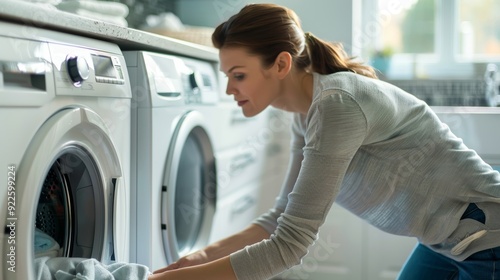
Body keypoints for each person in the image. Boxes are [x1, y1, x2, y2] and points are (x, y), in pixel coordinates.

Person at [149, 3, 500, 280]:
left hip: (486, 235)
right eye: (227, 76)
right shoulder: (305, 116)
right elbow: (279, 217)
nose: (229, 89)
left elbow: (290, 246)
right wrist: (196, 259)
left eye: (239, 75)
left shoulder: (337, 104)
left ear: (281, 64)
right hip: (444, 241)